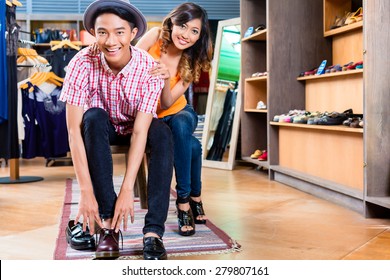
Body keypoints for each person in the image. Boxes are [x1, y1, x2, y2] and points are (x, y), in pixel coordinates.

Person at [59, 0, 173, 260]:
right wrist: (85, 193)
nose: (111, 41)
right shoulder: (81, 62)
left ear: (133, 34)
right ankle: (108, 225)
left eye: (119, 32)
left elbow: (140, 133)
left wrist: (126, 193)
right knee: (93, 117)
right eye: (102, 32)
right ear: (93, 33)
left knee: (162, 132)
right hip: (102, 127)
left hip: (137, 126)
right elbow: (74, 132)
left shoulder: (149, 68)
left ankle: (153, 233)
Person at [136, 2, 213, 236]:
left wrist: (165, 79)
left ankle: (182, 202)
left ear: (199, 37)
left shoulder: (192, 61)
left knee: (180, 124)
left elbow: (169, 104)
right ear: (172, 22)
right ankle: (196, 197)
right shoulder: (155, 36)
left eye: (194, 31)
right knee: (192, 145)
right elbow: (131, 64)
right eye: (183, 26)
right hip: (150, 114)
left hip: (179, 111)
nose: (186, 35)